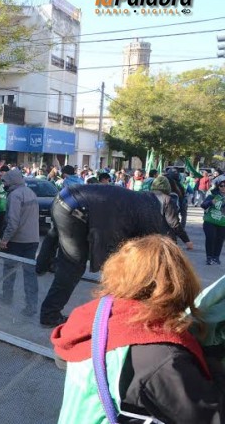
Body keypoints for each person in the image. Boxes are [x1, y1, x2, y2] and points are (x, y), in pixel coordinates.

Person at [52, 235, 225, 423]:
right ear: (181, 283)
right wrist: (213, 363)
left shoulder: (93, 315)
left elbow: (62, 359)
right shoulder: (161, 356)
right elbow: (210, 417)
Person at [38, 185, 169, 328]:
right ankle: (49, 315)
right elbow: (149, 253)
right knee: (73, 265)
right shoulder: (151, 216)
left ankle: (42, 265)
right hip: (77, 208)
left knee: (57, 232)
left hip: (63, 197)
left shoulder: (140, 201)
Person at [0, 169, 40, 316]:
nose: (4, 185)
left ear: (11, 181)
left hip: (17, 240)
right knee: (29, 274)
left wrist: (5, 239)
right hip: (33, 239)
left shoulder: (14, 195)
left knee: (9, 270)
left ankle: (7, 297)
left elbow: (13, 222)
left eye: (5, 182)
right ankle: (31, 306)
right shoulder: (30, 192)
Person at [150, 176, 193, 251]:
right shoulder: (167, 199)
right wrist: (186, 240)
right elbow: (174, 223)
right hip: (165, 238)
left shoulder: (145, 197)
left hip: (148, 238)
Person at [202, 178, 225, 265]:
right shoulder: (212, 195)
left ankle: (216, 257)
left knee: (220, 240)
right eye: (221, 186)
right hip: (210, 221)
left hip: (222, 223)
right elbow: (203, 205)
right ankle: (209, 257)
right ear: (218, 187)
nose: (223, 187)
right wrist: (210, 202)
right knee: (210, 238)